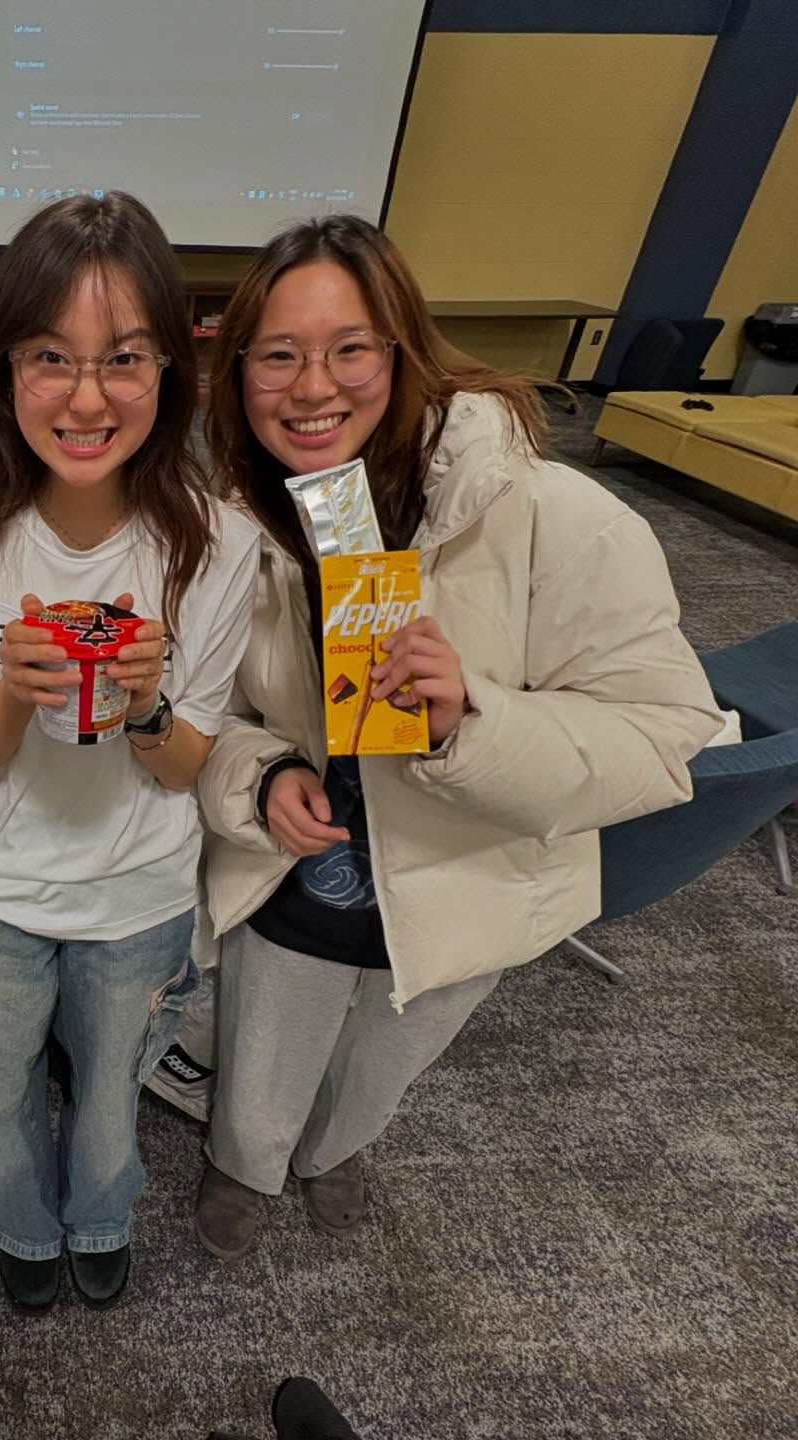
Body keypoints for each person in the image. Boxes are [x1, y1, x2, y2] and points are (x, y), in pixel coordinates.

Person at [192, 215, 723, 1259]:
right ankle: (242, 1162)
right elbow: (211, 719)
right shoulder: (236, 526)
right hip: (298, 869)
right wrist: (260, 777)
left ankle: (335, 1152)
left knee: (384, 1060)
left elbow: (664, 736)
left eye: (350, 348)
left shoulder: (553, 514)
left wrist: (472, 720)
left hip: (468, 877)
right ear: (237, 372)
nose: (312, 387)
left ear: (403, 350)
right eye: (278, 355)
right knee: (265, 1049)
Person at [0, 192, 260, 1315]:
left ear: (170, 371)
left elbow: (185, 764)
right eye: (51, 357)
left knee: (113, 1093)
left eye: (125, 359)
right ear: (5, 369)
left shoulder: (215, 543)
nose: (89, 397)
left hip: (137, 890)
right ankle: (21, 1222)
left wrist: (148, 704)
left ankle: (102, 1216)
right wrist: (14, 694)